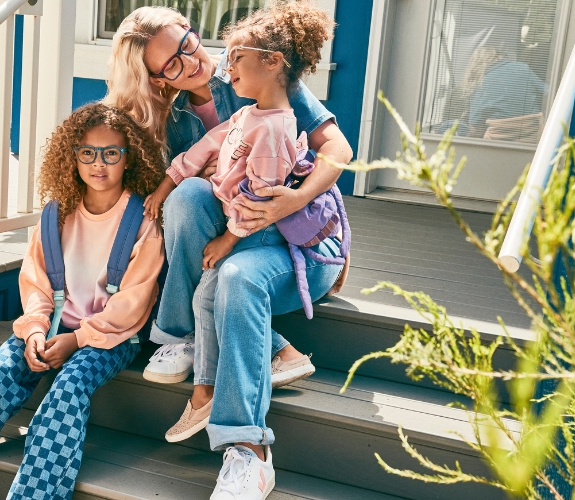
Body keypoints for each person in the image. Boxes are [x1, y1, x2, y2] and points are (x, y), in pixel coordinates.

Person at [104, 2, 351, 498]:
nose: (194, 59)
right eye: (172, 62)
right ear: (156, 80)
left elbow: (338, 151)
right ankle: (208, 340)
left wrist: (297, 197)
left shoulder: (264, 72)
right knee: (191, 199)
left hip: (297, 247)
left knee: (234, 274)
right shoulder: (173, 120)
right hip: (242, 246)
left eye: (188, 41)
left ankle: (249, 450)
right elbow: (173, 192)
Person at [0, 103, 165, 500]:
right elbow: (35, 283)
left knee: (68, 389)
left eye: (111, 153)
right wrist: (35, 329)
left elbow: (133, 303)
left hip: (110, 337)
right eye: (87, 152)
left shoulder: (141, 222)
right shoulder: (56, 215)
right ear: (72, 156)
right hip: (52, 327)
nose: (98, 163)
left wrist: (77, 340)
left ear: (129, 158)